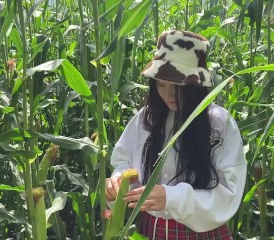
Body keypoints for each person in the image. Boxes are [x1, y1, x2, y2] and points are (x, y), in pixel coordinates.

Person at [105, 30, 247, 240]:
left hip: (203, 234)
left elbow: (229, 195)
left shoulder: (218, 123)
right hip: (148, 231)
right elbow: (124, 161)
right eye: (161, 84)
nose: (168, 95)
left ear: (195, 85)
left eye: (177, 86)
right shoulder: (145, 119)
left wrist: (171, 198)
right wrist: (119, 181)